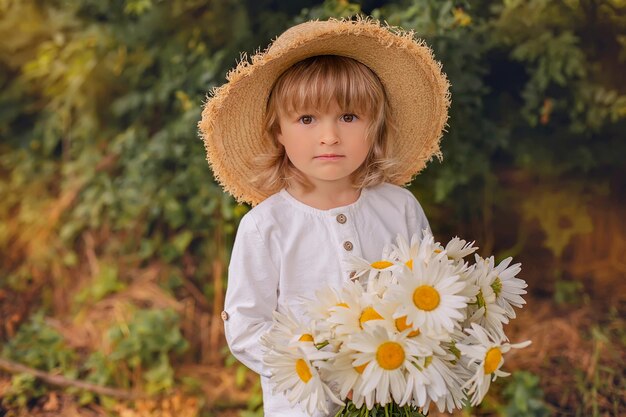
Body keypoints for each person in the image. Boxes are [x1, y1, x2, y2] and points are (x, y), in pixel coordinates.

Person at [198, 17, 450, 417]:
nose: (329, 136)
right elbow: (246, 327)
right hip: (304, 405)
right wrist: (319, 365)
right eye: (307, 119)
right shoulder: (266, 226)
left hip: (394, 396)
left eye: (349, 117)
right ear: (277, 131)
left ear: (375, 126)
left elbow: (432, 292)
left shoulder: (399, 208)